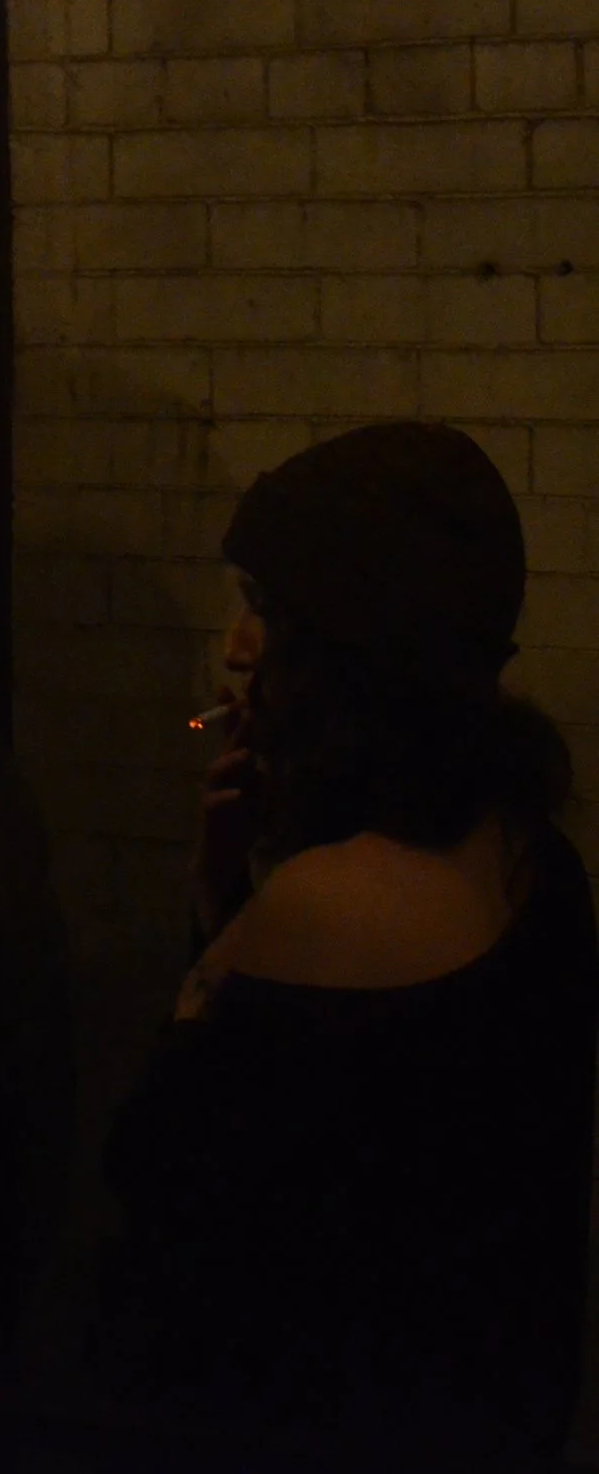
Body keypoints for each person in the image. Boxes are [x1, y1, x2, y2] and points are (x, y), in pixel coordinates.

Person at [98, 422, 594, 1467]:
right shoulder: (535, 863)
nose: (236, 648)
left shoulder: (319, 911)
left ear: (355, 660)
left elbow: (159, 1186)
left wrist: (218, 936)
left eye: (267, 613)